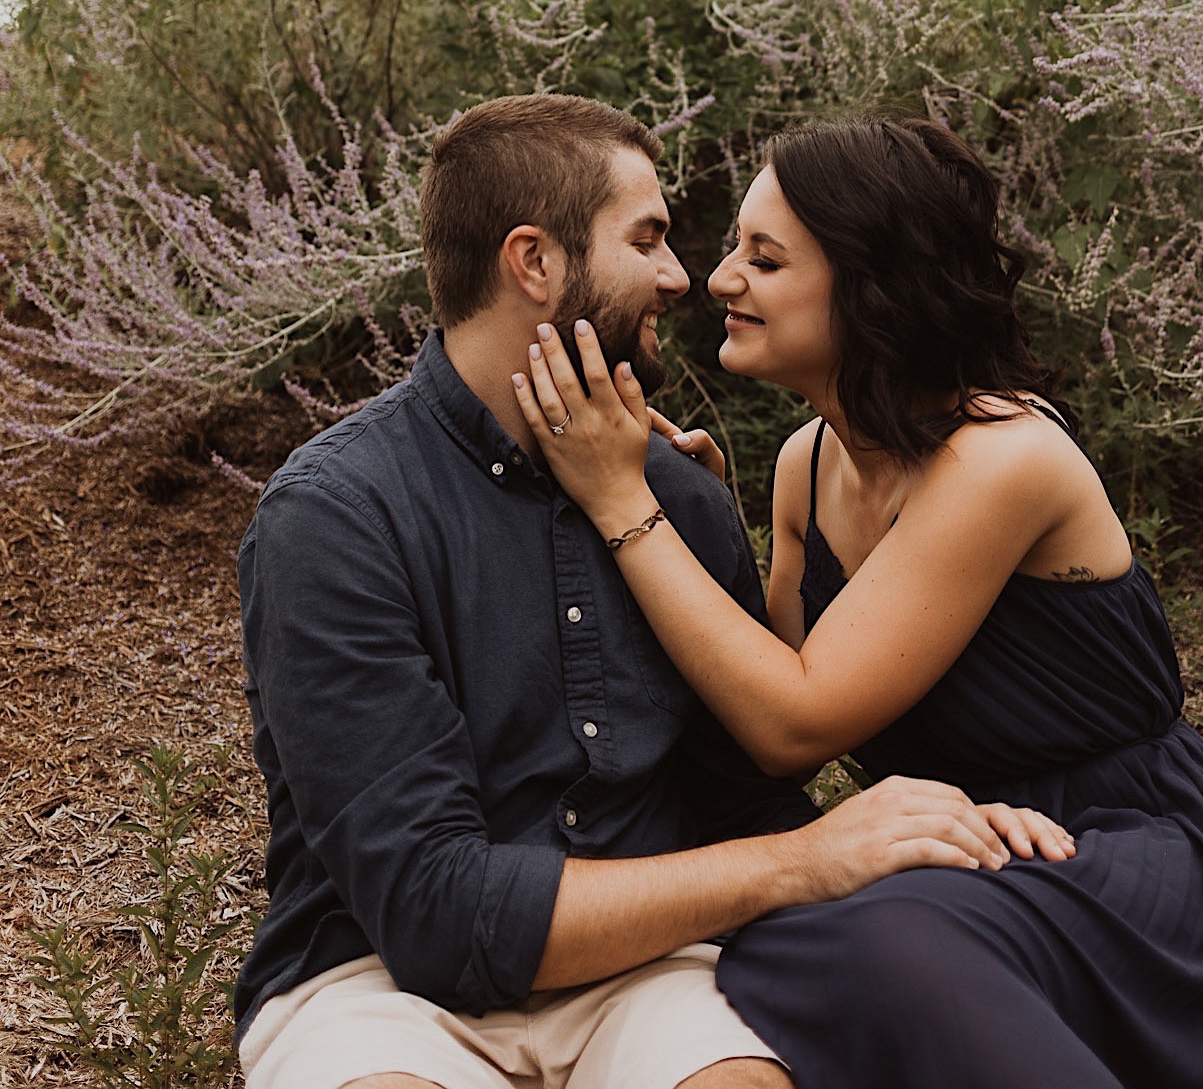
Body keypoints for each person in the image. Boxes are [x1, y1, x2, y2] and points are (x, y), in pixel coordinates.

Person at [516, 113, 1203, 1089]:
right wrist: (688, 513)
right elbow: (757, 732)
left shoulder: (1003, 459)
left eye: (766, 258)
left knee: (860, 938)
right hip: (968, 855)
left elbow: (796, 722)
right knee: (776, 938)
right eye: (736, 248)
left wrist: (621, 502)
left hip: (1143, 861)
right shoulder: (803, 467)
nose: (719, 279)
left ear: (869, 285)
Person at [234, 94, 1070, 1089]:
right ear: (534, 262)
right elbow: (430, 909)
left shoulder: (679, 494)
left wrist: (933, 836)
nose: (683, 277)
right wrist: (805, 863)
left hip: (647, 974)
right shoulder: (335, 515)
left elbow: (742, 796)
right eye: (650, 239)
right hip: (375, 981)